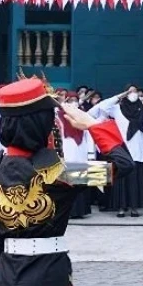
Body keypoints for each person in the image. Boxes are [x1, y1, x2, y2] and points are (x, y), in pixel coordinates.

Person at [0, 77, 134, 286]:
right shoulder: (63, 174)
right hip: (49, 276)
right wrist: (91, 123)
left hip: (5, 279)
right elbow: (122, 164)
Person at [90, 85, 143, 217]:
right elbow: (102, 107)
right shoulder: (117, 109)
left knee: (135, 181)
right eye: (130, 91)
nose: (133, 94)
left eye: (135, 91)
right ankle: (121, 207)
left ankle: (134, 208)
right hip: (121, 149)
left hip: (137, 151)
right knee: (121, 182)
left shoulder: (142, 110)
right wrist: (119, 96)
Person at [58, 92, 95, 220]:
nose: (73, 102)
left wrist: (91, 154)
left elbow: (90, 135)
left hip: (81, 151)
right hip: (66, 150)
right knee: (66, 182)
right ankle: (67, 211)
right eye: (70, 100)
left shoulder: (83, 115)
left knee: (81, 181)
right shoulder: (59, 116)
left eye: (75, 100)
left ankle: (80, 210)